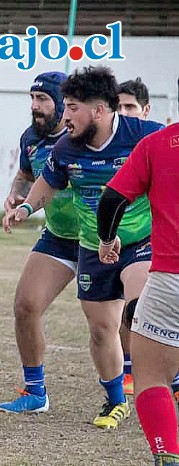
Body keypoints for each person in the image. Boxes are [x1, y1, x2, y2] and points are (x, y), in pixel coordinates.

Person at [3, 66, 163, 429]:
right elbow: (46, 181)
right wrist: (26, 207)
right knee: (101, 329)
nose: (66, 114)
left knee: (139, 313)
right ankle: (114, 400)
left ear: (100, 110)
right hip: (91, 244)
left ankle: (167, 381)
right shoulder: (65, 146)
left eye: (72, 107)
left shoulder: (145, 136)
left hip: (139, 241)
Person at [96, 115, 179, 466]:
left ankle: (168, 456)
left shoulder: (158, 143)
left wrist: (106, 239)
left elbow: (111, 200)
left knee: (150, 377)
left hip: (171, 280)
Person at [0, 72, 79, 414]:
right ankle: (35, 393)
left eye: (42, 99)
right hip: (58, 239)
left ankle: (172, 382)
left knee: (121, 321)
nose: (35, 106)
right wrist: (15, 196)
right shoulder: (30, 138)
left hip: (105, 240)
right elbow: (27, 175)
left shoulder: (85, 137)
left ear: (63, 104)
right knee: (25, 306)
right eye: (32, 98)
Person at [115, 76, 151, 396]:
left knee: (137, 306)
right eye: (119, 107)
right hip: (103, 242)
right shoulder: (102, 142)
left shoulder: (154, 141)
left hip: (146, 240)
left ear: (146, 110)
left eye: (130, 107)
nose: (124, 113)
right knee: (109, 319)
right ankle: (126, 368)